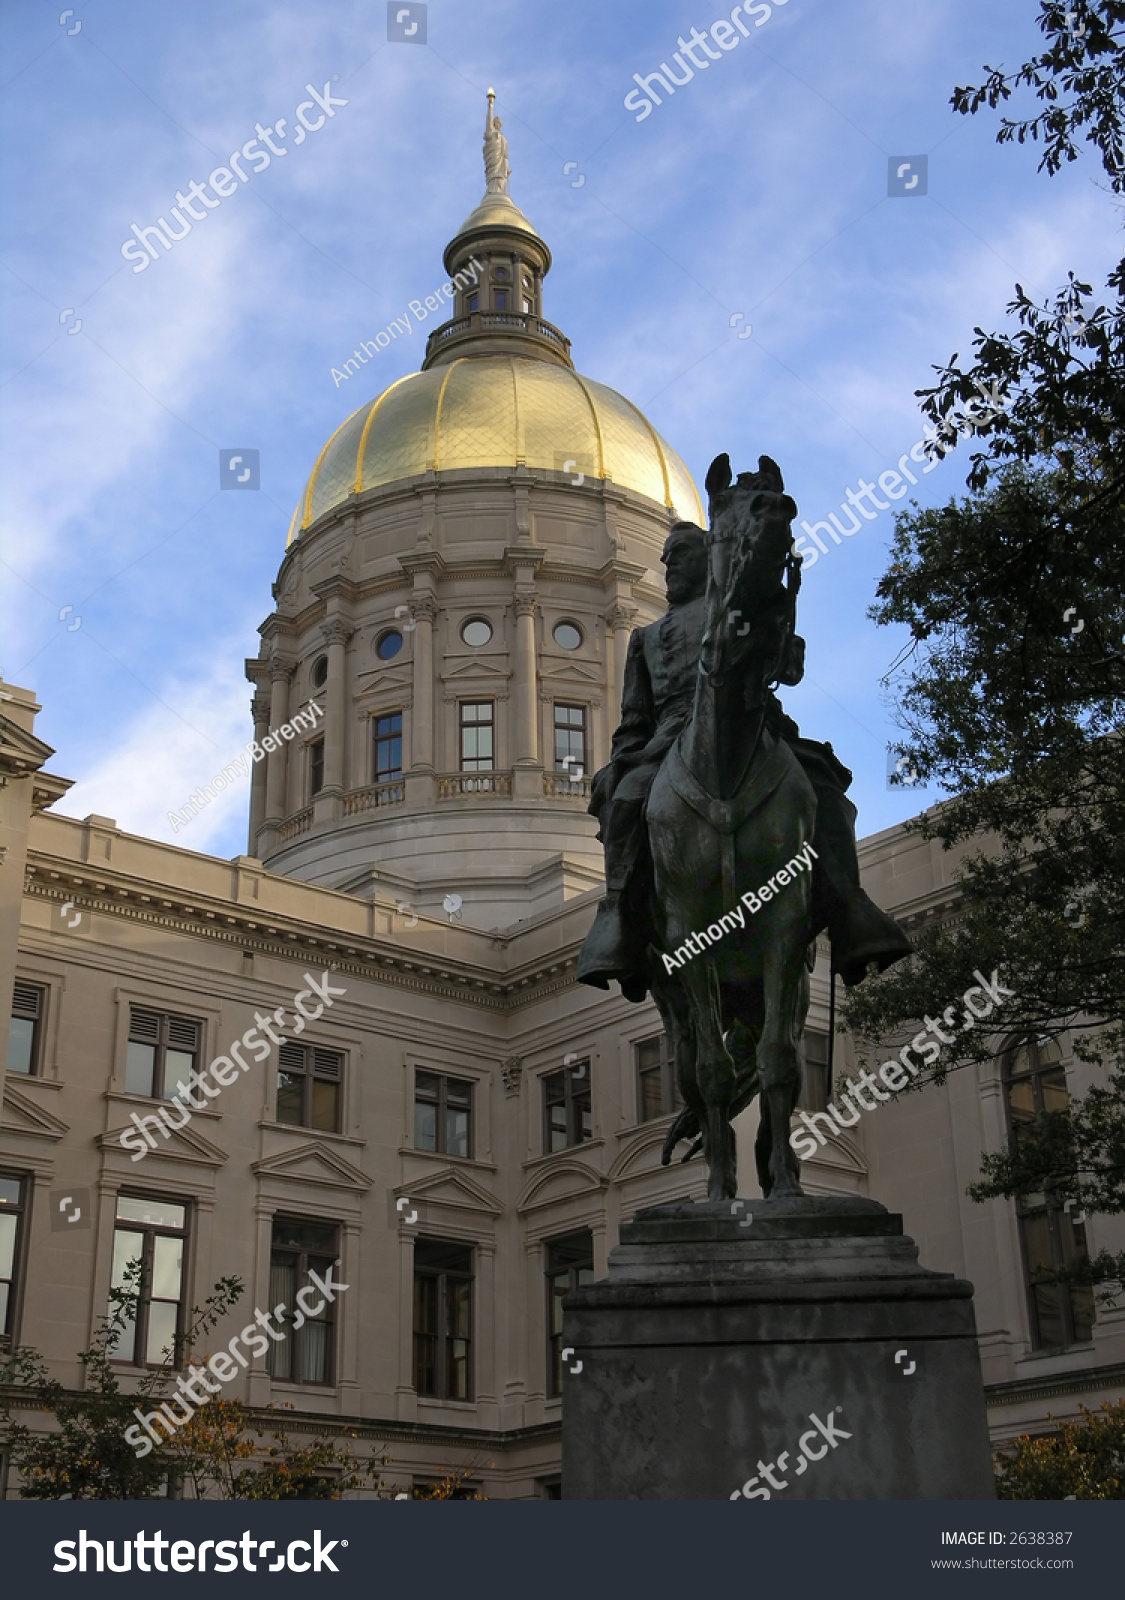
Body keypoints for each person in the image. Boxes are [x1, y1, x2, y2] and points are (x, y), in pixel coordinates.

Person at [577, 520, 913, 1000]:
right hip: (671, 735)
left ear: (708, 560)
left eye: (683, 554)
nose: (670, 564)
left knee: (825, 788)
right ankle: (616, 917)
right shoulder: (645, 639)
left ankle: (851, 909)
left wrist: (781, 617)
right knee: (626, 798)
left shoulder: (740, 613)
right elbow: (634, 719)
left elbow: (788, 671)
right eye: (667, 556)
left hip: (751, 722)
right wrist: (628, 761)